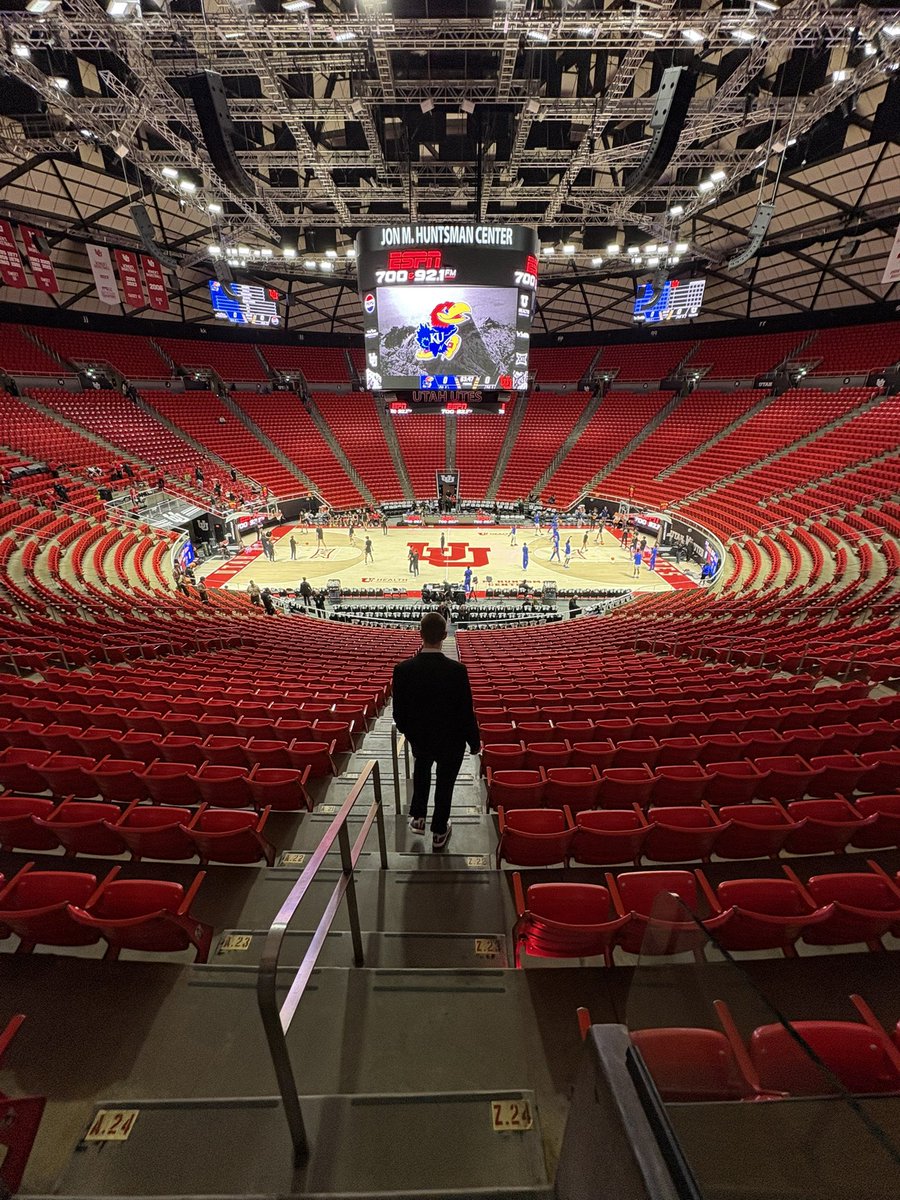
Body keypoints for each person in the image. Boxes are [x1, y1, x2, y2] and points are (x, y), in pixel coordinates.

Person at [392, 612, 480, 851]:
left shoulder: (403, 670)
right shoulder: (457, 671)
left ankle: (418, 816)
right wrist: (474, 742)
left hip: (420, 738)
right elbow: (465, 711)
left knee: (422, 770)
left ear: (420, 635)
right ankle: (439, 831)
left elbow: (399, 714)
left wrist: (411, 733)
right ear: (444, 635)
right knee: (445, 784)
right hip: (451, 741)